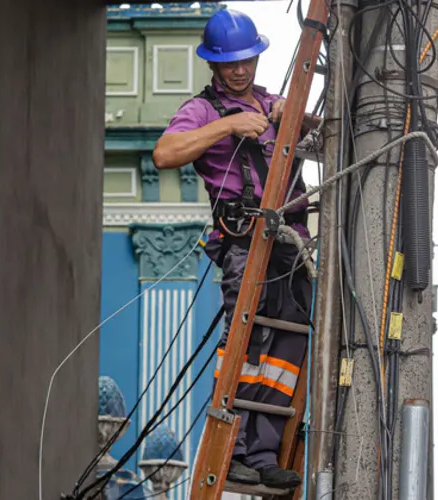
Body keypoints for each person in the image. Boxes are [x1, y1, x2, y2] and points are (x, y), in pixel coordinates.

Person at [151, 9, 319, 490]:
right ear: (214, 65)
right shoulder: (203, 110)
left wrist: (299, 117)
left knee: (287, 348)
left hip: (292, 245)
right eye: (230, 63)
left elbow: (331, 135)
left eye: (246, 59)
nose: (240, 70)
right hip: (246, 243)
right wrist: (228, 128)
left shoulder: (272, 104)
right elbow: (166, 153)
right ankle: (237, 449)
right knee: (248, 346)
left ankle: (264, 452)